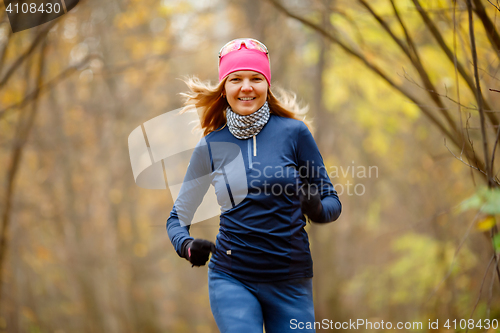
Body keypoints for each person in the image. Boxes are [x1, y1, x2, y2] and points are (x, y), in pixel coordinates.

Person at [166, 38, 342, 333]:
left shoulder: (295, 134)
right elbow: (176, 220)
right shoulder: (211, 145)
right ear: (224, 87)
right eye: (236, 79)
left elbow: (332, 205)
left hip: (291, 280)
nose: (246, 87)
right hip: (232, 277)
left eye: (255, 78)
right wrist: (187, 246)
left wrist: (314, 206)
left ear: (267, 85)